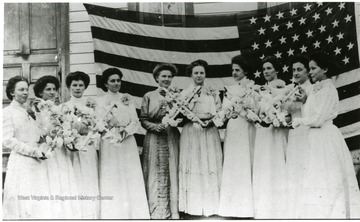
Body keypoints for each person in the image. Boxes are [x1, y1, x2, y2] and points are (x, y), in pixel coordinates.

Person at [291, 51, 360, 218]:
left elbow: (319, 119)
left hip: (325, 137)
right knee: (315, 177)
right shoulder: (315, 89)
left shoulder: (329, 89)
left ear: (325, 69)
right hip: (314, 138)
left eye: (314, 68)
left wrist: (300, 121)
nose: (311, 72)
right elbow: (311, 111)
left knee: (328, 177)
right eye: (310, 69)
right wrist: (306, 101)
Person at [96, 68, 150, 219]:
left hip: (127, 141)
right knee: (112, 174)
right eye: (112, 81)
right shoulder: (100, 101)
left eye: (118, 80)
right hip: (109, 142)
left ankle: (133, 214)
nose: (116, 83)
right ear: (106, 84)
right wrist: (112, 134)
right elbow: (99, 123)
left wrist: (123, 134)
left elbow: (135, 121)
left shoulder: (127, 99)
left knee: (129, 174)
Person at [3, 76, 52, 219]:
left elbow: (39, 135)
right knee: (23, 204)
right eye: (21, 89)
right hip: (21, 163)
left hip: (37, 163)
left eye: (26, 89)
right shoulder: (7, 112)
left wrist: (39, 114)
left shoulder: (29, 112)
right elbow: (7, 140)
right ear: (12, 92)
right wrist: (33, 151)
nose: (25, 92)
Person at [178, 59, 223, 217]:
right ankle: (194, 206)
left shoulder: (212, 91)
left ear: (205, 74)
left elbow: (219, 111)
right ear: (190, 74)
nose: (199, 75)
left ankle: (212, 205)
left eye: (201, 73)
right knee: (195, 163)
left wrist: (211, 121)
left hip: (209, 130)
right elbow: (181, 112)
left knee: (208, 162)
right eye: (196, 72)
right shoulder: (185, 93)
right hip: (193, 131)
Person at [33, 75, 80, 219]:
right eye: (48, 89)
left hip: (61, 150)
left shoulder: (60, 108)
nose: (53, 92)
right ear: (41, 92)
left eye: (54, 89)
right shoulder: (37, 109)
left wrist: (68, 134)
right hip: (47, 149)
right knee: (50, 182)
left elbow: (68, 127)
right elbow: (39, 131)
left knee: (63, 181)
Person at [140, 64, 180, 219]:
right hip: (154, 136)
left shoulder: (177, 95)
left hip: (171, 134)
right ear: (156, 78)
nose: (166, 79)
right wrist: (154, 127)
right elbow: (143, 119)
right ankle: (156, 211)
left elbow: (181, 115)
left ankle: (173, 211)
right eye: (163, 76)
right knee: (154, 170)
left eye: (169, 76)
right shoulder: (149, 96)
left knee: (172, 167)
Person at [217, 55, 255, 218]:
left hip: (246, 126)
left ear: (245, 71)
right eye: (233, 70)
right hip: (233, 128)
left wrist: (243, 109)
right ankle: (231, 206)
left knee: (246, 160)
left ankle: (247, 206)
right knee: (233, 162)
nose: (234, 73)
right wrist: (225, 115)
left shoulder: (251, 87)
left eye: (237, 70)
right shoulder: (229, 90)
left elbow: (254, 108)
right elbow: (224, 111)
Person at [252, 56, 288, 218]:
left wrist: (274, 117)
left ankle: (280, 206)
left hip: (277, 131)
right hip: (263, 132)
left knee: (277, 162)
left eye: (269, 68)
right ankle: (265, 207)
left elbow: (286, 111)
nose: (266, 71)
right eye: (264, 68)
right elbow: (256, 110)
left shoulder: (284, 89)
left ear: (277, 70)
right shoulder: (259, 90)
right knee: (264, 164)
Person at [64, 71, 99, 219]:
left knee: (89, 178)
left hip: (88, 145)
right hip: (72, 147)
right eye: (74, 85)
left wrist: (93, 137)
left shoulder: (90, 106)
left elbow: (98, 126)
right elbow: (63, 127)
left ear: (85, 87)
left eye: (81, 85)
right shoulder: (65, 107)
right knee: (75, 178)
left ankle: (90, 214)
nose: (77, 88)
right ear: (69, 87)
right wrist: (71, 140)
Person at [284, 55, 313, 218]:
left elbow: (314, 112)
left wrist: (306, 101)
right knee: (294, 169)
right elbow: (289, 115)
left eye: (299, 69)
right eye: (293, 70)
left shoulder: (312, 89)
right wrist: (284, 116)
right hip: (294, 134)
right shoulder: (291, 90)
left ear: (308, 71)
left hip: (308, 132)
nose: (295, 73)